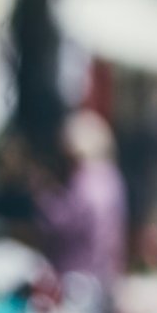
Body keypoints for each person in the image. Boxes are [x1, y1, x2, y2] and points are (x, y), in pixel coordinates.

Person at [34, 110, 129, 288]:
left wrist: (44, 198)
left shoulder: (86, 178)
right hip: (104, 273)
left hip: (79, 275)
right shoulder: (112, 177)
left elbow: (66, 223)